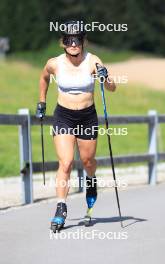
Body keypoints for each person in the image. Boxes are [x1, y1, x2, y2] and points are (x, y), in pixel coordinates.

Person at [36, 20, 117, 231]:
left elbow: (112, 88)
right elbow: (44, 78)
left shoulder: (93, 61)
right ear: (63, 42)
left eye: (77, 40)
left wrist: (105, 77)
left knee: (88, 161)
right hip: (63, 116)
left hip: (87, 117)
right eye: (69, 40)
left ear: (83, 42)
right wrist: (42, 101)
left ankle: (91, 179)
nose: (73, 44)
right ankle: (61, 207)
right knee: (66, 162)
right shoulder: (54, 63)